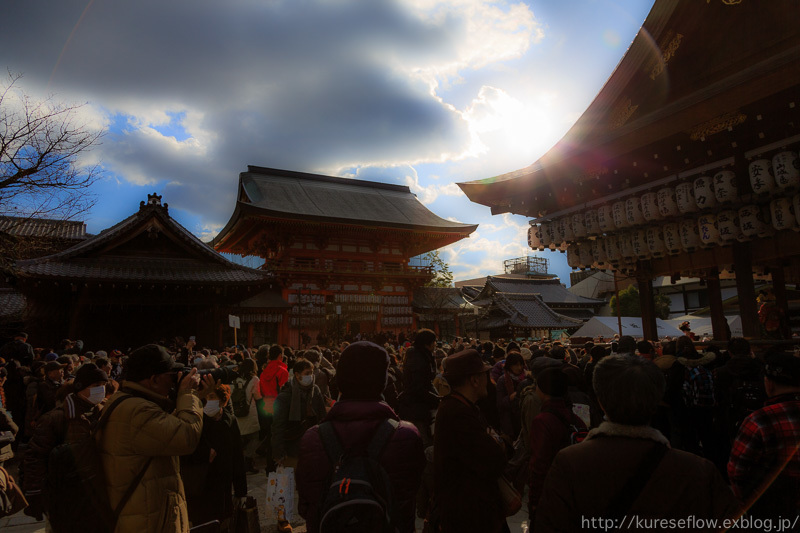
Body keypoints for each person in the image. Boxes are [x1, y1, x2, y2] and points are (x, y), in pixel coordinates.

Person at [534, 355, 740, 532]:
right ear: (658, 399)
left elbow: (549, 525)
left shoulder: (570, 463)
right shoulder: (698, 470)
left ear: (600, 401)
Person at [296, 341, 426, 533]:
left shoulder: (313, 438)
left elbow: (305, 506)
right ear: (382, 381)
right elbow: (410, 495)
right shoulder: (406, 436)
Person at [97, 344, 208, 533]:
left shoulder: (128, 402)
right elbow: (187, 436)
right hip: (147, 520)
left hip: (145, 513)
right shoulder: (137, 411)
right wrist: (188, 394)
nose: (174, 381)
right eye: (171, 376)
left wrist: (197, 397)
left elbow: (166, 430)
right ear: (154, 379)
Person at [21, 363, 108, 523]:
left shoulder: (103, 412)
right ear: (81, 387)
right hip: (64, 491)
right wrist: (35, 492)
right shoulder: (56, 418)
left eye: (103, 385)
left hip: (96, 490)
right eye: (96, 385)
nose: (101, 390)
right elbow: (36, 455)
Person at [434, 349, 508, 533]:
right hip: (470, 514)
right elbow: (493, 459)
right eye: (484, 374)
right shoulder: (458, 413)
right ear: (474, 380)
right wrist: (499, 444)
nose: (488, 379)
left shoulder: (463, 406)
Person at [728, 351, 800, 520]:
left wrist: (748, 504)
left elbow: (736, 471)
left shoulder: (759, 420)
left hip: (776, 511)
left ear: (769, 384)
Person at [182, 383, 247, 531]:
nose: (207, 401)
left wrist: (241, 491)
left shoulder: (230, 420)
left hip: (223, 487)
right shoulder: (196, 422)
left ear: (222, 400)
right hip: (201, 486)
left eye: (211, 397)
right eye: (204, 398)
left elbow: (237, 456)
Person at [528, 367, 587, 520]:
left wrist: (534, 501)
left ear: (542, 390)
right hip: (574, 491)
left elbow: (539, 465)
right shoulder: (575, 418)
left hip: (552, 492)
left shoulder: (543, 421)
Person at [271, 358, 326, 468]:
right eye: (307, 373)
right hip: (292, 446)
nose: (310, 376)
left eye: (311, 373)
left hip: (313, 445)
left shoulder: (315, 391)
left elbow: (322, 417)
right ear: (297, 375)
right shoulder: (285, 396)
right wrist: (278, 452)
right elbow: (278, 426)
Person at [398, 329, 439, 446]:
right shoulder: (419, 359)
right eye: (434, 342)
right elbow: (418, 387)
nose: (435, 344)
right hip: (416, 407)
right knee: (423, 442)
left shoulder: (419, 355)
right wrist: (437, 399)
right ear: (428, 343)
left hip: (419, 405)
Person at [232, 358, 261, 473]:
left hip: (236, 412)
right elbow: (258, 397)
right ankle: (248, 461)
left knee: (239, 439)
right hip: (249, 413)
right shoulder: (254, 379)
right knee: (254, 438)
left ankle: (238, 463)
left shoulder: (234, 378)